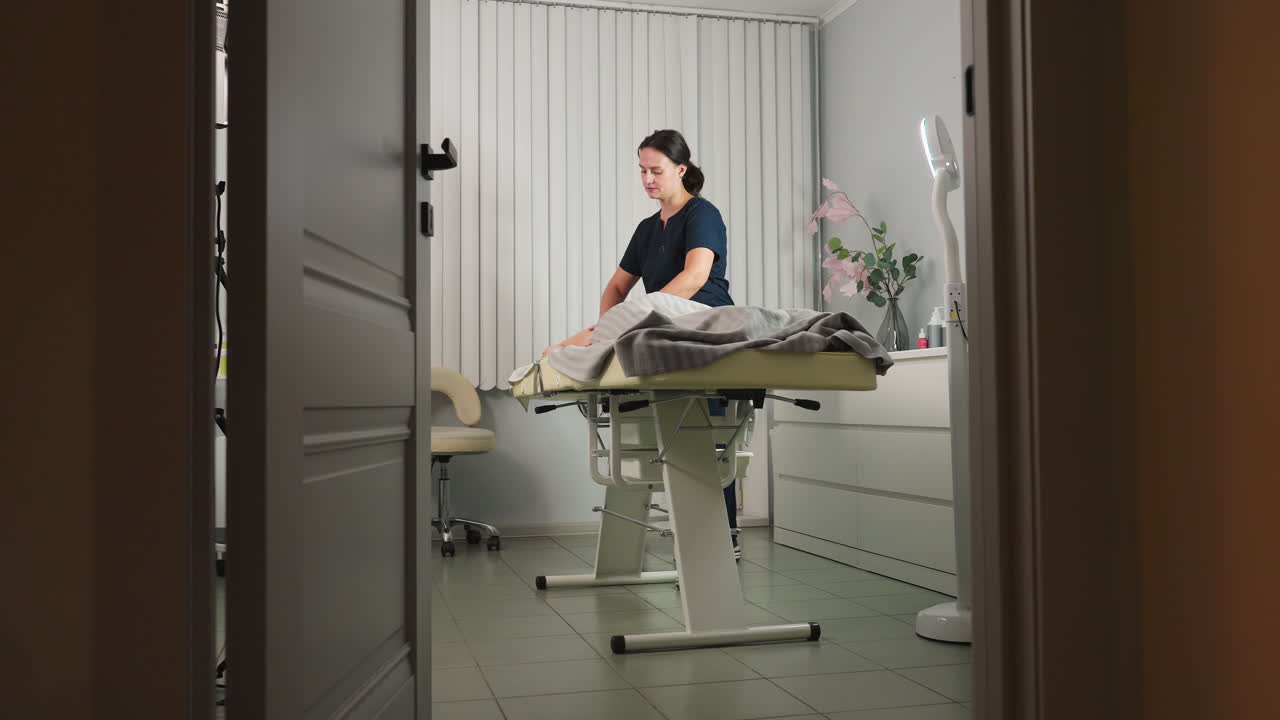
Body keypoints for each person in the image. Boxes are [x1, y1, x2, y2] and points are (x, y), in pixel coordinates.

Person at [544, 129, 741, 559]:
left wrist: (632, 320)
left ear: (681, 170)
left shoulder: (702, 214)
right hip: (659, 324)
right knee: (568, 348)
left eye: (656, 170)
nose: (648, 179)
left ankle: (723, 539)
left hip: (699, 321)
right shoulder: (648, 228)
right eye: (642, 171)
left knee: (705, 439)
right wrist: (608, 328)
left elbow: (694, 277)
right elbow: (617, 285)